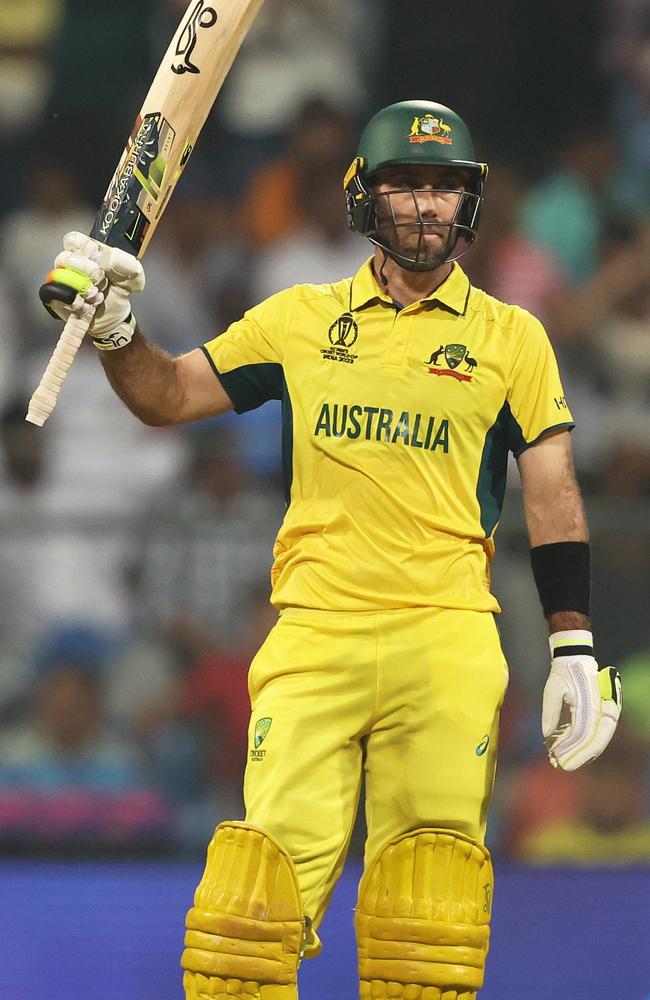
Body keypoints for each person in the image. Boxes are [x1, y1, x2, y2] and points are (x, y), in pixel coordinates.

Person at [40, 100, 622, 999]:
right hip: (317, 633)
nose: (427, 207)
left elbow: (553, 493)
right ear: (364, 196)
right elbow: (168, 397)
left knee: (425, 932)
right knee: (247, 919)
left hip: (448, 637)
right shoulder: (299, 319)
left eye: (446, 189)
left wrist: (573, 641)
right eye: (407, 186)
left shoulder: (514, 339)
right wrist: (118, 335)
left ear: (471, 203)